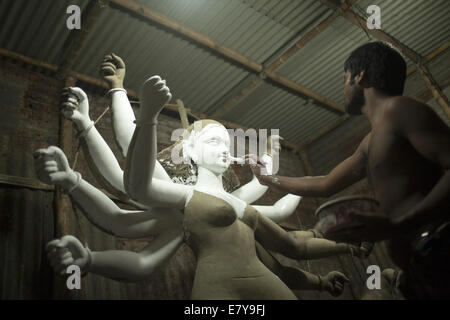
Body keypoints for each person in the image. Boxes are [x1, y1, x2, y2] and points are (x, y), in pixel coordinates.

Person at [36, 60, 368, 299]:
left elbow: (285, 230)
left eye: (227, 145)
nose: (224, 151)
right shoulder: (183, 199)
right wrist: (112, 105)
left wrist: (330, 267)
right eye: (213, 141)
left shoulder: (238, 204)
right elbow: (128, 182)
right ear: (190, 149)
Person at [252, 41, 450, 299]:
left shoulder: (400, 110)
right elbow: (325, 184)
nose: (344, 88)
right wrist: (268, 179)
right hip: (420, 265)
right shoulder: (370, 142)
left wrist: (400, 223)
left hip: (441, 246)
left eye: (345, 78)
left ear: (360, 76)